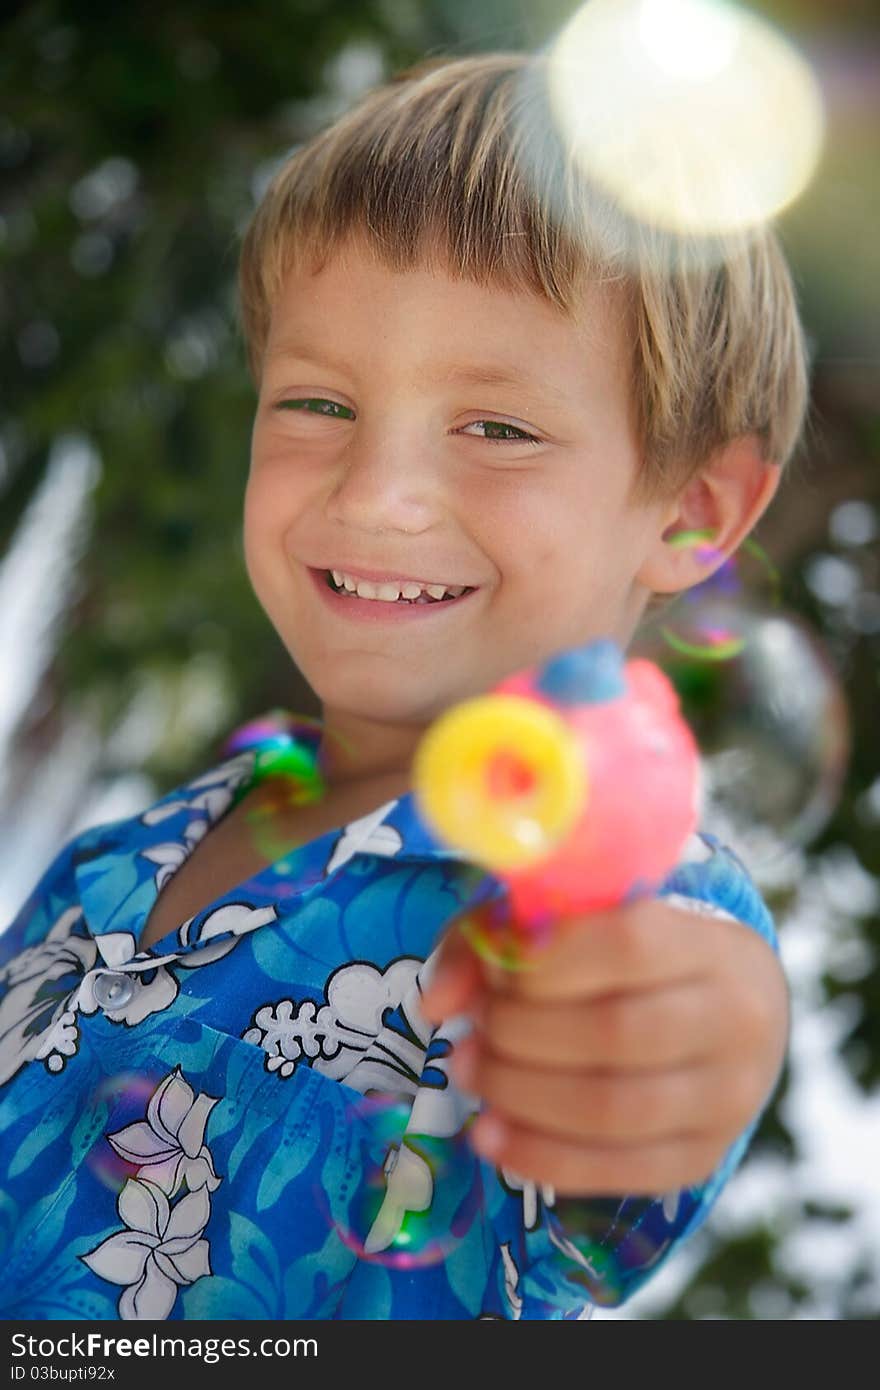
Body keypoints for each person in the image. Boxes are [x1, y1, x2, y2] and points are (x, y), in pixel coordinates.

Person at [0, 51, 801, 1321]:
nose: (375, 494)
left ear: (693, 512)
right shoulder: (115, 858)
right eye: (318, 401)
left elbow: (680, 1020)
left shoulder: (596, 896)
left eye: (496, 426)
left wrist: (715, 1026)